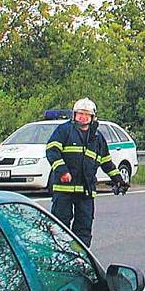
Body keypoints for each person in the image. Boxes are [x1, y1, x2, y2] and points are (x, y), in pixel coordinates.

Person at [46, 98, 129, 247]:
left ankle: (81, 258)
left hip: (86, 192)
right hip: (64, 190)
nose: (83, 117)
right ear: (74, 115)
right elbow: (52, 150)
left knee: (84, 228)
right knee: (60, 227)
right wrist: (62, 171)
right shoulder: (64, 131)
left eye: (86, 115)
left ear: (92, 118)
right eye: (80, 114)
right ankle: (59, 256)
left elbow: (106, 162)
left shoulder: (97, 138)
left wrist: (118, 179)